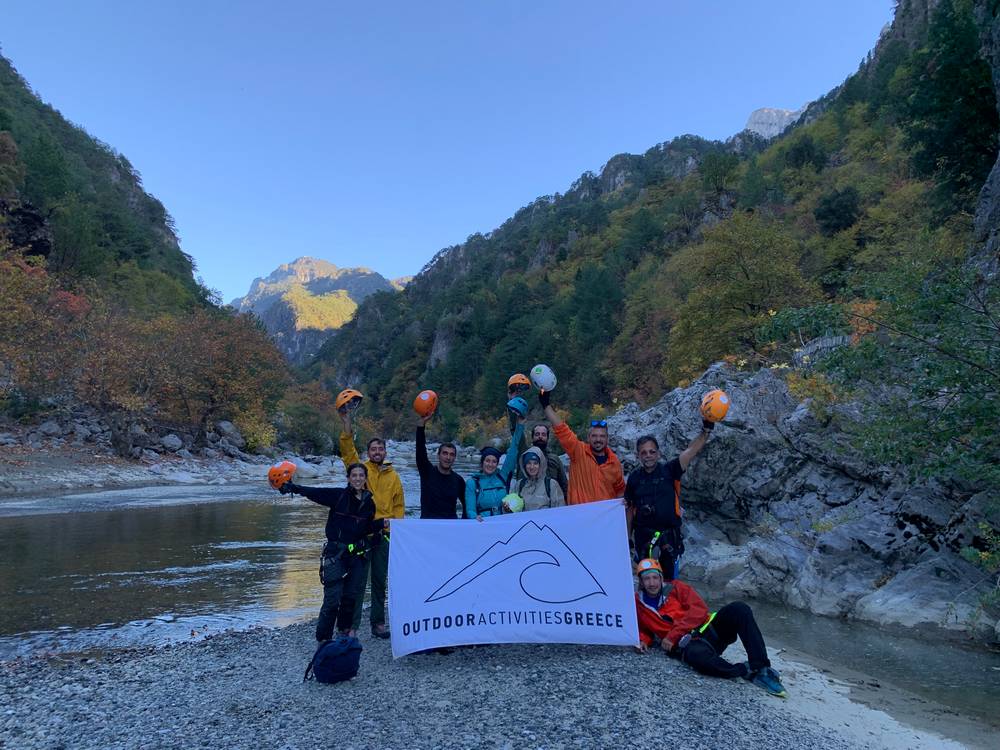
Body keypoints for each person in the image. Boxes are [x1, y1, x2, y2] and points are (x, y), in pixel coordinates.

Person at [633, 558, 787, 698]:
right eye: (647, 578)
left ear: (661, 578)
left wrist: (673, 635)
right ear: (640, 581)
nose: (652, 583)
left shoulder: (676, 588)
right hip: (688, 644)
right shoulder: (638, 603)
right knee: (698, 659)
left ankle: (761, 667)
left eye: (655, 577)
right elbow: (643, 627)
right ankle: (746, 671)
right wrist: (642, 640)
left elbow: (699, 609)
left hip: (710, 630)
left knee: (740, 609)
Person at [278, 464, 383, 643]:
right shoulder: (338, 495)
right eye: (354, 475)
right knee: (332, 600)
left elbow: (365, 528)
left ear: (366, 479)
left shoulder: (369, 503)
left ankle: (343, 634)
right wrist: (293, 488)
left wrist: (380, 525)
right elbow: (315, 493)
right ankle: (324, 640)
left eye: (361, 475)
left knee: (350, 598)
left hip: (356, 556)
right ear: (348, 478)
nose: (358, 479)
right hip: (335, 555)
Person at [339, 409, 404, 639]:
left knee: (379, 581)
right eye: (373, 449)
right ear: (368, 452)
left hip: (384, 535)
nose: (377, 452)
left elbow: (399, 506)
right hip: (362, 534)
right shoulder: (362, 471)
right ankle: (351, 626)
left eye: (380, 449)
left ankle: (378, 623)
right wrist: (347, 423)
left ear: (385, 452)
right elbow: (348, 452)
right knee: (356, 582)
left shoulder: (394, 476)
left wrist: (397, 530)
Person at [625, 425, 712, 580]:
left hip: (669, 538)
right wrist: (627, 537)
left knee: (670, 582)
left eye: (652, 452)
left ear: (658, 453)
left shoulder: (671, 470)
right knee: (647, 580)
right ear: (638, 456)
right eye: (643, 452)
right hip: (643, 538)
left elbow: (691, 451)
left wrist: (705, 431)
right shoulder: (634, 478)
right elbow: (630, 509)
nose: (648, 455)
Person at [539, 390, 625, 504]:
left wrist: (622, 507)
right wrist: (546, 405)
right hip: (581, 514)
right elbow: (562, 430)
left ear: (607, 439)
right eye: (594, 436)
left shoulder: (614, 462)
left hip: (605, 515)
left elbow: (620, 490)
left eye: (602, 436)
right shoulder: (578, 451)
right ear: (588, 438)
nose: (598, 439)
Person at [466, 416, 525, 520]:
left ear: (497, 464)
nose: (490, 464)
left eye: (494, 462)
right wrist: (474, 517)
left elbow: (513, 449)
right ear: (482, 462)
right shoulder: (472, 483)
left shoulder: (503, 477)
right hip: (483, 523)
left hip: (503, 522)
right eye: (487, 461)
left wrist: (519, 425)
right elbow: (470, 509)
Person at [415, 412, 466, 519]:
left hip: (450, 525)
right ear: (438, 455)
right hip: (427, 524)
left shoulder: (458, 480)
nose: (448, 457)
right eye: (445, 453)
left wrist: (463, 524)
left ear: (455, 458)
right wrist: (421, 426)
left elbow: (467, 505)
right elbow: (420, 451)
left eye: (452, 454)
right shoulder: (427, 472)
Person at [516, 446, 566, 511]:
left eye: (535, 463)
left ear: (541, 464)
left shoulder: (551, 485)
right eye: (528, 463)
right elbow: (512, 511)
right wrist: (507, 509)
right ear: (524, 465)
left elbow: (560, 510)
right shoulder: (519, 485)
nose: (532, 467)